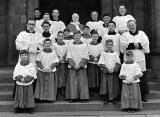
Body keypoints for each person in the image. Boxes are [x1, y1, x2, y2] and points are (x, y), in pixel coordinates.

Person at [121, 20, 150, 102]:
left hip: (139, 57)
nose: (131, 26)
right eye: (129, 25)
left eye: (132, 25)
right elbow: (123, 45)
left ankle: (144, 95)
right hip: (129, 58)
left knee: (142, 76)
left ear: (136, 25)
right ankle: (130, 96)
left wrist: (139, 45)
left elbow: (146, 43)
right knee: (129, 76)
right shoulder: (124, 34)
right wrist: (134, 45)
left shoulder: (142, 33)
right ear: (127, 26)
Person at [66, 31, 89, 103]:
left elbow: (86, 55)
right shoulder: (70, 45)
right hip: (73, 66)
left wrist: (80, 64)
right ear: (73, 36)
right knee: (73, 82)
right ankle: (73, 97)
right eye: (76, 35)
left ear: (80, 36)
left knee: (82, 82)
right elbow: (68, 55)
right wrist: (73, 64)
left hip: (81, 66)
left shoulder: (84, 45)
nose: (77, 37)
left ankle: (83, 97)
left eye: (79, 35)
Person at [98, 39, 121, 104]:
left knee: (113, 85)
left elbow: (118, 63)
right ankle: (106, 98)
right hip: (106, 72)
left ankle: (113, 98)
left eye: (110, 44)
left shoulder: (115, 54)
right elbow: (101, 63)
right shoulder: (103, 53)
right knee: (105, 85)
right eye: (108, 45)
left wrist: (113, 70)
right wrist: (107, 70)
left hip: (113, 72)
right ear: (105, 45)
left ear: (112, 45)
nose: (109, 46)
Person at [87, 30, 104, 94]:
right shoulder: (88, 45)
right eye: (93, 36)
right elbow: (87, 53)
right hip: (91, 63)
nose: (94, 37)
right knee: (91, 76)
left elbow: (101, 53)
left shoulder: (100, 45)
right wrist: (92, 58)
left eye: (96, 36)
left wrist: (97, 58)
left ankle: (97, 88)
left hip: (97, 63)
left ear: (98, 37)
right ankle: (91, 89)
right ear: (91, 37)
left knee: (97, 75)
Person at [53, 31, 68, 96]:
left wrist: (63, 58)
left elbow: (67, 53)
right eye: (59, 36)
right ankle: (57, 88)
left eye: (62, 36)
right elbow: (54, 52)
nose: (61, 37)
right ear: (57, 37)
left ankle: (63, 88)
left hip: (64, 62)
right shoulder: (54, 45)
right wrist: (58, 58)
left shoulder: (66, 45)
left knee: (63, 75)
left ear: (63, 37)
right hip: (57, 62)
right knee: (57, 76)